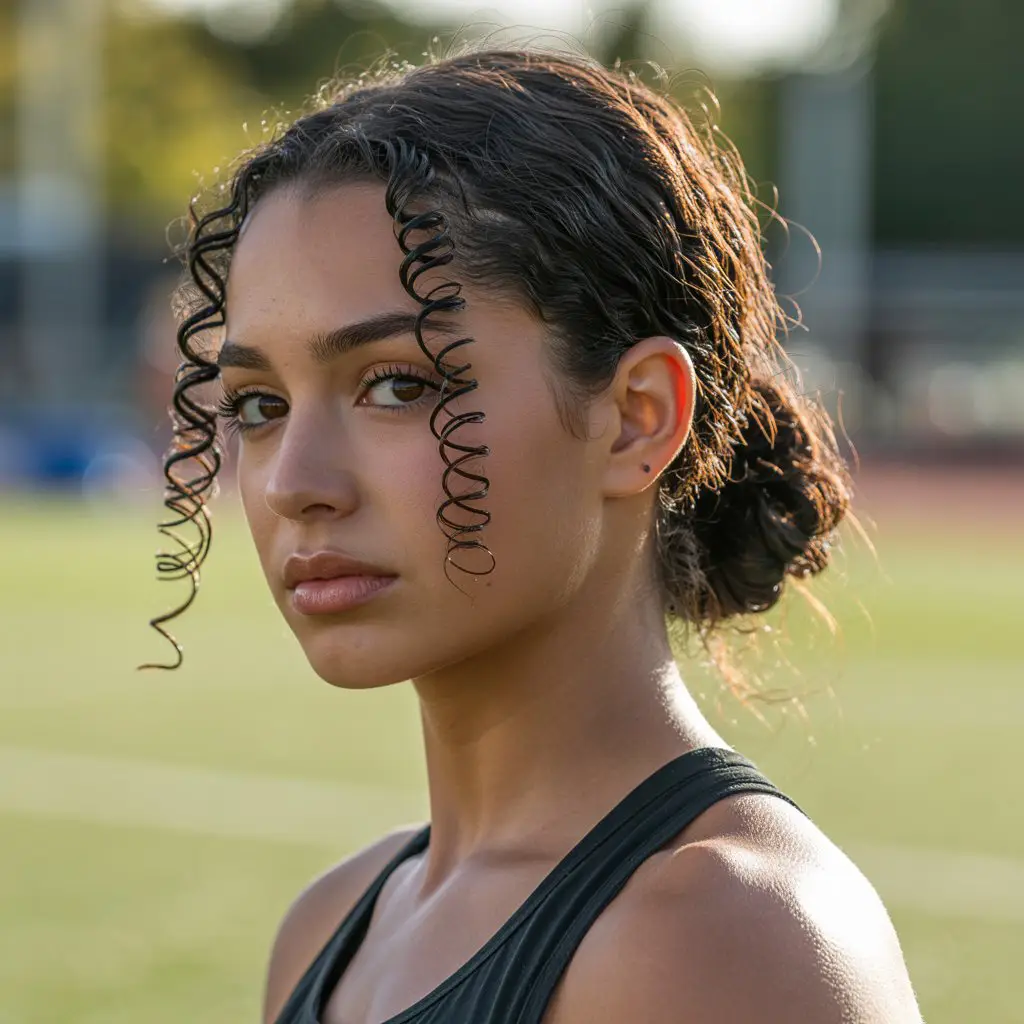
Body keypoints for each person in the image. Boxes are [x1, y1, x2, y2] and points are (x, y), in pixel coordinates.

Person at [150, 46, 924, 1024]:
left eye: (397, 384)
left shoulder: (716, 934)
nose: (292, 482)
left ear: (638, 416)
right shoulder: (333, 925)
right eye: (258, 404)